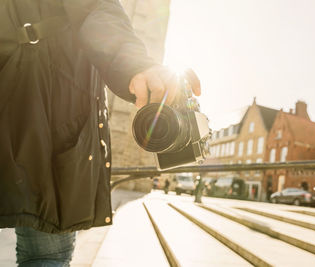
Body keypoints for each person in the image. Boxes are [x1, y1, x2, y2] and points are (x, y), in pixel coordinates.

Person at [0, 0, 200, 266]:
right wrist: (136, 63)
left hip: (30, 96)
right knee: (45, 255)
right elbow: (95, 9)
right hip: (48, 108)